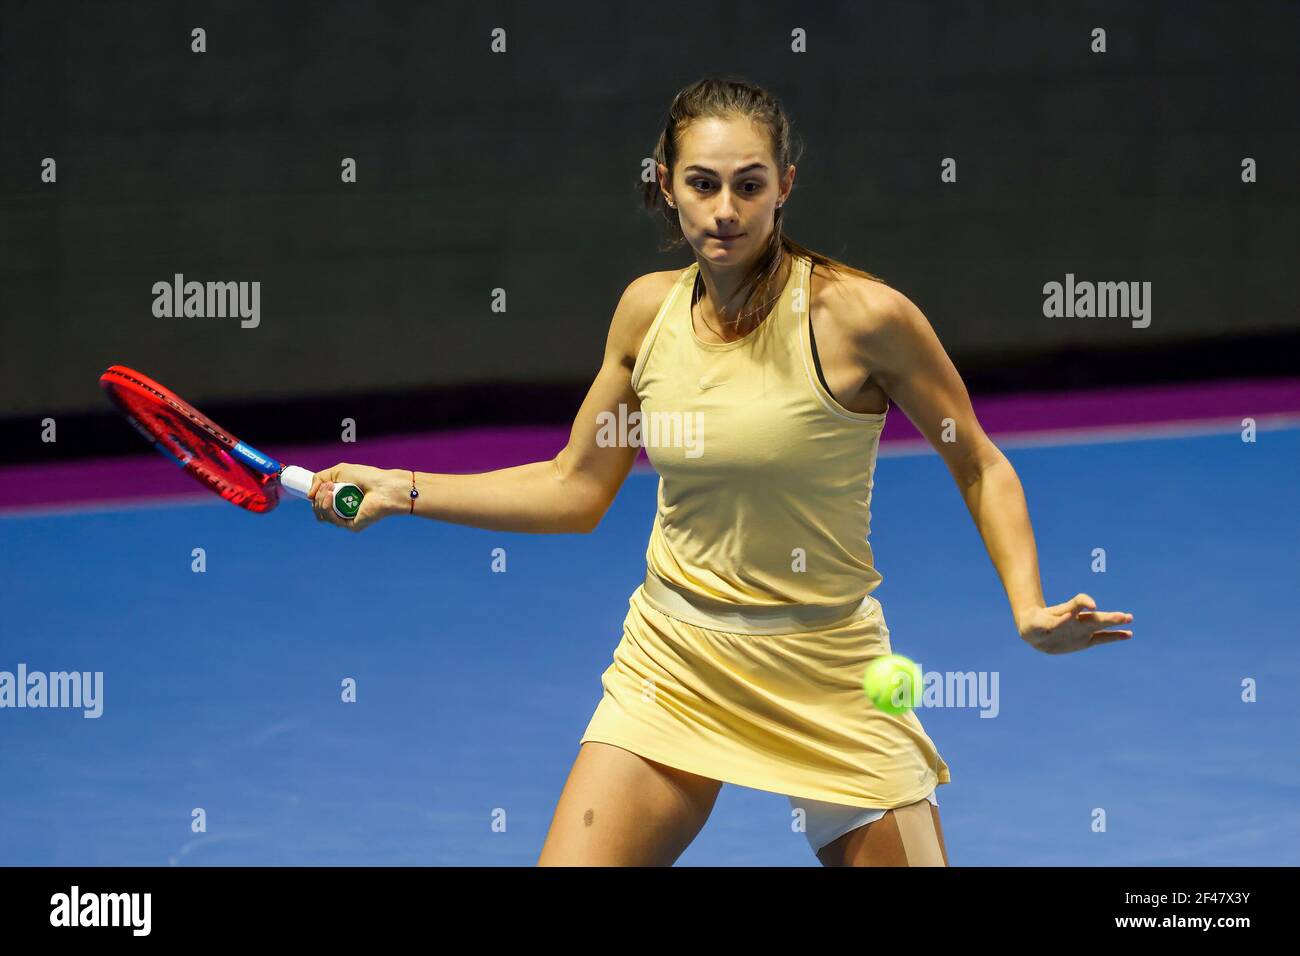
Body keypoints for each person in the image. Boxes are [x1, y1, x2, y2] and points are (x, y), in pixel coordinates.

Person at [306, 76, 1134, 867]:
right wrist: (401, 488)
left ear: (786, 187)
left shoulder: (862, 318)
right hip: (674, 665)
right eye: (703, 184)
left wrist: (1026, 604)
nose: (727, 210)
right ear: (666, 185)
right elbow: (575, 486)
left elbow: (980, 462)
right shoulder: (646, 313)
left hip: (829, 675)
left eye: (750, 184)